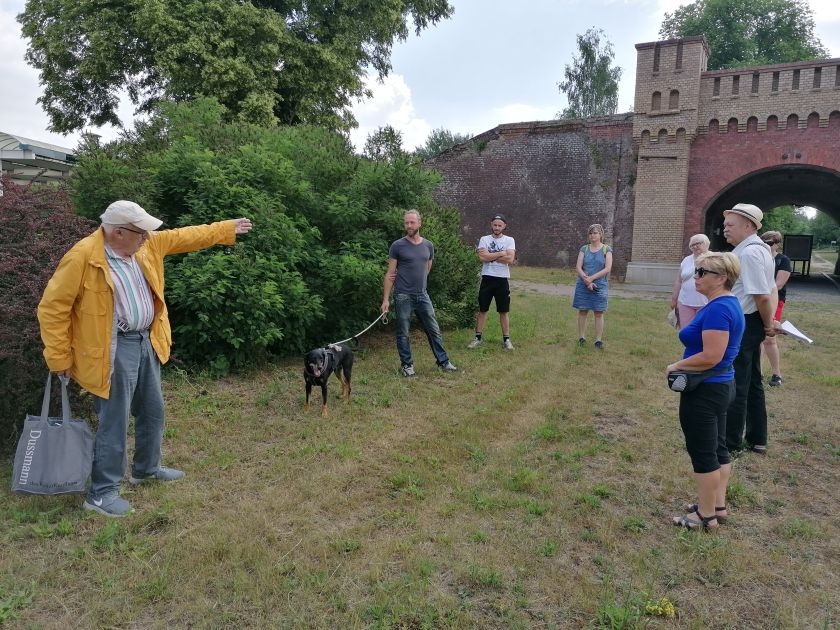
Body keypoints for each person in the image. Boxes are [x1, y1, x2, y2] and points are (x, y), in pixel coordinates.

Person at [38, 200, 253, 517]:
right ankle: (101, 493)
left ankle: (146, 469)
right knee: (114, 422)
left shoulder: (144, 246)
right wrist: (59, 358)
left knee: (153, 411)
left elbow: (184, 236)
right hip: (110, 349)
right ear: (119, 232)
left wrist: (224, 229)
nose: (148, 238)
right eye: (141, 233)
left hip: (146, 341)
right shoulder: (83, 256)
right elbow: (52, 309)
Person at [667, 252, 744, 531]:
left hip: (706, 389)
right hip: (721, 385)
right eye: (696, 271)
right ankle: (717, 506)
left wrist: (676, 365)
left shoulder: (718, 309)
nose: (696, 276)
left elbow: (712, 355)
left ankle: (705, 516)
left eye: (703, 272)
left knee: (703, 452)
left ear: (722, 278)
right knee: (718, 448)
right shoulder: (726, 304)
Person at [721, 204, 778, 455]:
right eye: (724, 225)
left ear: (748, 225)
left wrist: (768, 325)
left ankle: (731, 442)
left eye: (730, 225)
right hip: (750, 322)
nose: (724, 229)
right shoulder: (758, 250)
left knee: (738, 383)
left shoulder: (749, 254)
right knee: (753, 380)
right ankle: (757, 438)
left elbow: (762, 296)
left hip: (744, 323)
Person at [381, 209, 457, 377]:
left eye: (412, 222)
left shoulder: (428, 245)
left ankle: (443, 362)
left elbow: (427, 267)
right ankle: (407, 365)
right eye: (406, 223)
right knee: (403, 332)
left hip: (423, 295)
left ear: (419, 223)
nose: (409, 225)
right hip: (402, 296)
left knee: (433, 329)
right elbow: (390, 274)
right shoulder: (397, 246)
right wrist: (386, 299)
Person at [467, 214, 516, 350]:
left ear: (504, 226)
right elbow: (482, 257)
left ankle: (506, 340)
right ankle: (477, 338)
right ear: (491, 225)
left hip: (502, 279)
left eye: (499, 225)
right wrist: (501, 253)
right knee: (482, 309)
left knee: (503, 310)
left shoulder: (510, 240)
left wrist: (491, 256)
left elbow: (510, 259)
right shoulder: (484, 239)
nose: (497, 227)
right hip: (487, 278)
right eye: (495, 225)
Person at [572, 223, 613, 349]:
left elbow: (607, 268)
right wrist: (587, 281)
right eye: (590, 233)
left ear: (601, 234)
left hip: (600, 285)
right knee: (583, 311)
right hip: (583, 284)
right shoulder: (584, 249)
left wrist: (592, 279)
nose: (592, 235)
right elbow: (578, 267)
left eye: (595, 233)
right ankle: (581, 337)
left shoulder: (607, 249)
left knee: (598, 313)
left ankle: (598, 340)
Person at [760, 231, 791, 387]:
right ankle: (757, 371)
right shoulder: (759, 258)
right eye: (764, 242)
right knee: (756, 337)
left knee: (769, 338)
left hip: (774, 300)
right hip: (757, 300)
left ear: (777, 243)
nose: (767, 246)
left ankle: (776, 374)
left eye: (770, 243)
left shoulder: (782, 260)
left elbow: (778, 285)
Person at [671, 234, 710, 329]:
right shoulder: (686, 260)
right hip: (685, 302)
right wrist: (674, 299)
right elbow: (679, 281)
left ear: (706, 244)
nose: (695, 246)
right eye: (692, 245)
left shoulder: (713, 259)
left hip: (706, 303)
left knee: (703, 331)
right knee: (687, 331)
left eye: (698, 243)